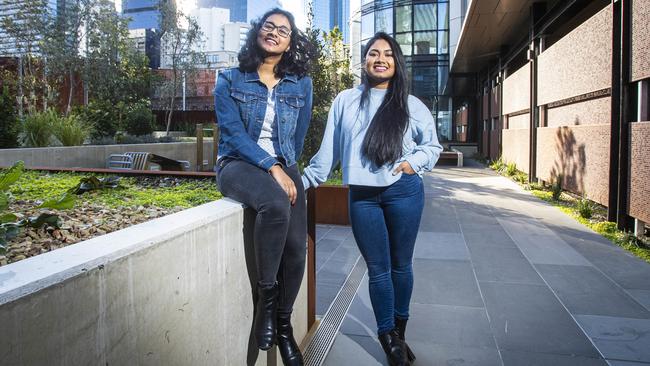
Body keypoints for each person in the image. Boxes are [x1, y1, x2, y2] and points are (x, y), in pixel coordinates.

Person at [302, 32, 442, 366]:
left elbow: (432, 146)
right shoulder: (345, 100)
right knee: (378, 270)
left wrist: (413, 162)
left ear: (397, 63)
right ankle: (387, 338)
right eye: (373, 53)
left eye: (388, 54)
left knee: (400, 265)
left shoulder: (410, 103)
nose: (380, 58)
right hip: (363, 197)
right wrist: (302, 182)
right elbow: (328, 153)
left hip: (403, 192)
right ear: (364, 60)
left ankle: (400, 332)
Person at [213, 8, 314, 366]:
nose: (274, 32)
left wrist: (285, 166)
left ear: (289, 43)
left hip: (285, 167)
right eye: (269, 26)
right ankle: (266, 302)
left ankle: (284, 325)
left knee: (297, 250)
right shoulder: (229, 78)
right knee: (274, 203)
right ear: (258, 32)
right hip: (237, 165)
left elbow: (298, 136)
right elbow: (234, 135)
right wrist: (271, 165)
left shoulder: (301, 83)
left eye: (283, 30)